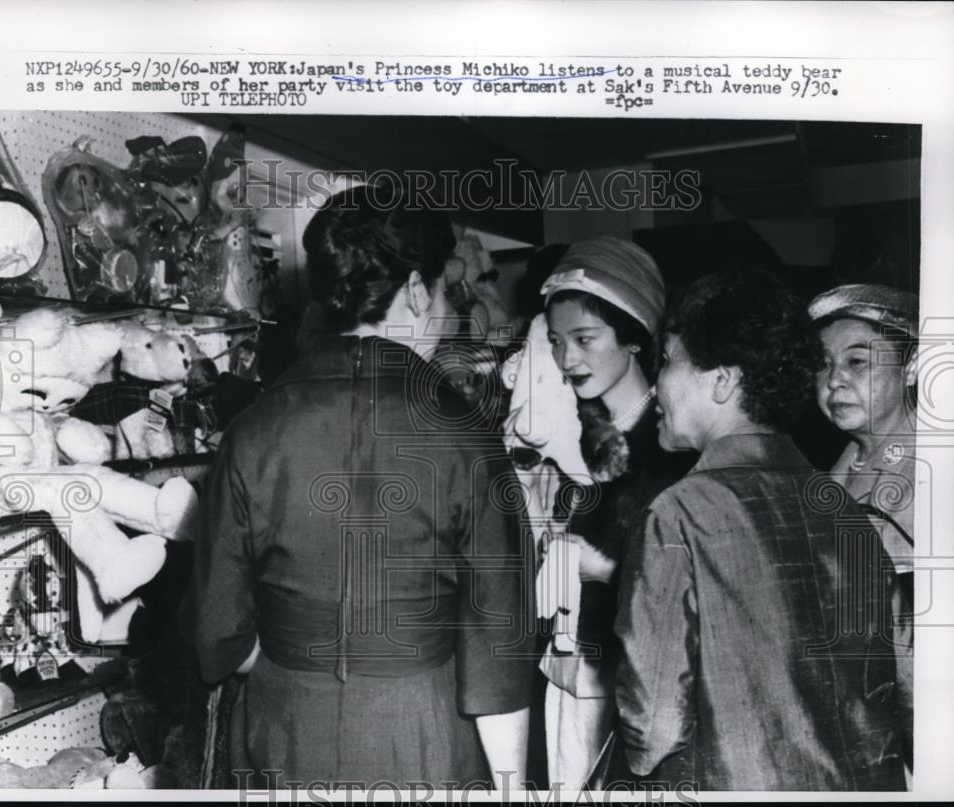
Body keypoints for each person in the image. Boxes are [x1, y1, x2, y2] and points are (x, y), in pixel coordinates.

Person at [187, 186, 534, 789]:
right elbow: (498, 654)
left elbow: (217, 631)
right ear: (419, 292)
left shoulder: (253, 428)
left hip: (283, 726)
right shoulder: (467, 436)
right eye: (447, 291)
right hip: (421, 731)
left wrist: (293, 655)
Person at [613, 271, 906, 790]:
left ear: (723, 381)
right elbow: (900, 688)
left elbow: (653, 724)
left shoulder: (680, 511)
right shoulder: (844, 506)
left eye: (669, 361)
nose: (656, 384)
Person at [531, 236, 691, 789]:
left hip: (637, 696)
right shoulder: (565, 435)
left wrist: (602, 567)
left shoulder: (675, 453)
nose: (567, 358)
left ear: (633, 338)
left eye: (584, 338)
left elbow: (694, 596)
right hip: (563, 677)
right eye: (555, 341)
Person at [809, 283, 918, 772]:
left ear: (911, 366)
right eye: (823, 364)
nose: (834, 381)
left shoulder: (930, 472)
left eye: (857, 362)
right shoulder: (837, 470)